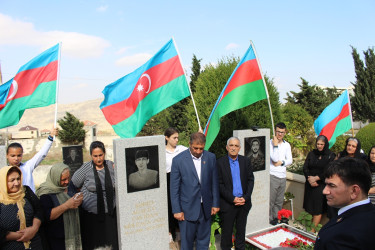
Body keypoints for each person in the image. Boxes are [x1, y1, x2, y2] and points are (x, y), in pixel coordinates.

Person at [170, 132, 220, 250]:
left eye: (201, 148)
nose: (198, 151)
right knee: (186, 244)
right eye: (195, 148)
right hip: (186, 211)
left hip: (205, 208)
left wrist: (215, 203)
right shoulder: (178, 160)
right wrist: (177, 210)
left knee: (203, 242)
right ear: (189, 144)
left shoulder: (211, 157)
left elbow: (214, 182)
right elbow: (174, 188)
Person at [314, 157, 375, 249]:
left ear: (354, 191)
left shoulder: (348, 235)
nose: (325, 191)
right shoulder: (367, 213)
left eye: (331, 185)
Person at [71, 141, 118, 250]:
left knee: (111, 244)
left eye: (100, 155)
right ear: (91, 155)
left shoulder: (111, 166)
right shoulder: (86, 168)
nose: (98, 159)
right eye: (95, 156)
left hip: (110, 216)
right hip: (91, 218)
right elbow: (74, 183)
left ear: (104, 153)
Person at [217, 137, 254, 250]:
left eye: (236, 146)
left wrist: (245, 198)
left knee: (241, 232)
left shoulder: (245, 161)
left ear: (240, 148)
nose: (233, 148)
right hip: (228, 204)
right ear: (227, 147)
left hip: (243, 203)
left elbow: (250, 180)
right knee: (227, 234)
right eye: (231, 145)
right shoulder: (220, 163)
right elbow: (219, 184)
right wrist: (232, 198)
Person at [36, 163, 83, 250]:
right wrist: (66, 205)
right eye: (63, 180)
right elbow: (47, 215)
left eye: (68, 178)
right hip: (56, 238)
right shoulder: (46, 193)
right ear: (55, 178)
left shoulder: (69, 187)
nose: (67, 182)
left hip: (73, 234)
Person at [0, 166, 43, 249]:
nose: (16, 183)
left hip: (34, 244)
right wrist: (20, 236)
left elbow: (39, 210)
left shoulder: (26, 191)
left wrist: (34, 229)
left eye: (18, 179)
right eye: (12, 180)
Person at [6, 127, 59, 192]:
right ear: (7, 156)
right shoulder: (4, 172)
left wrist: (50, 137)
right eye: (13, 156)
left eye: (19, 155)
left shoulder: (27, 167)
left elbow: (41, 154)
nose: (16, 158)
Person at [303, 135, 335, 231]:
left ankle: (312, 231)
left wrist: (316, 178)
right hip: (310, 184)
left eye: (321, 144)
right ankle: (307, 227)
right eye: (318, 144)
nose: (319, 146)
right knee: (309, 206)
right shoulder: (312, 153)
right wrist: (310, 179)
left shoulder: (330, 155)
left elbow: (328, 170)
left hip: (321, 185)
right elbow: (305, 167)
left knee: (317, 208)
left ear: (325, 144)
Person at [165, 127, 187, 243]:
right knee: (169, 205)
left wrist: (200, 134)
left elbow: (195, 149)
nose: (177, 140)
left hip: (181, 180)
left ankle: (179, 232)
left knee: (180, 204)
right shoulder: (162, 151)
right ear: (167, 138)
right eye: (174, 138)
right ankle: (169, 232)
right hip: (168, 180)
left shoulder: (182, 149)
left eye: (177, 137)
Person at [269, 122, 293, 225]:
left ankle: (275, 219)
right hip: (272, 175)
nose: (280, 134)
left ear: (285, 132)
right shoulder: (270, 143)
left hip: (282, 176)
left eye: (282, 132)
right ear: (275, 131)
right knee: (271, 201)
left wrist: (282, 162)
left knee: (279, 201)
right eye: (278, 132)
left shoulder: (286, 145)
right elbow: (274, 158)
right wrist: (275, 145)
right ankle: (268, 220)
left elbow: (290, 160)